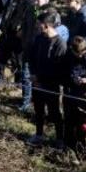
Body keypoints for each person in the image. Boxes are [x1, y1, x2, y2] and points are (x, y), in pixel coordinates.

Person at [27, 10, 66, 146]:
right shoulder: (39, 38)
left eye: (40, 24)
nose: (37, 26)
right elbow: (31, 58)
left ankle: (60, 138)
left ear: (47, 25)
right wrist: (33, 75)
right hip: (36, 82)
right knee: (38, 110)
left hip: (50, 85)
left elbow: (57, 68)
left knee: (54, 112)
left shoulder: (60, 44)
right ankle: (38, 135)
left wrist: (40, 80)